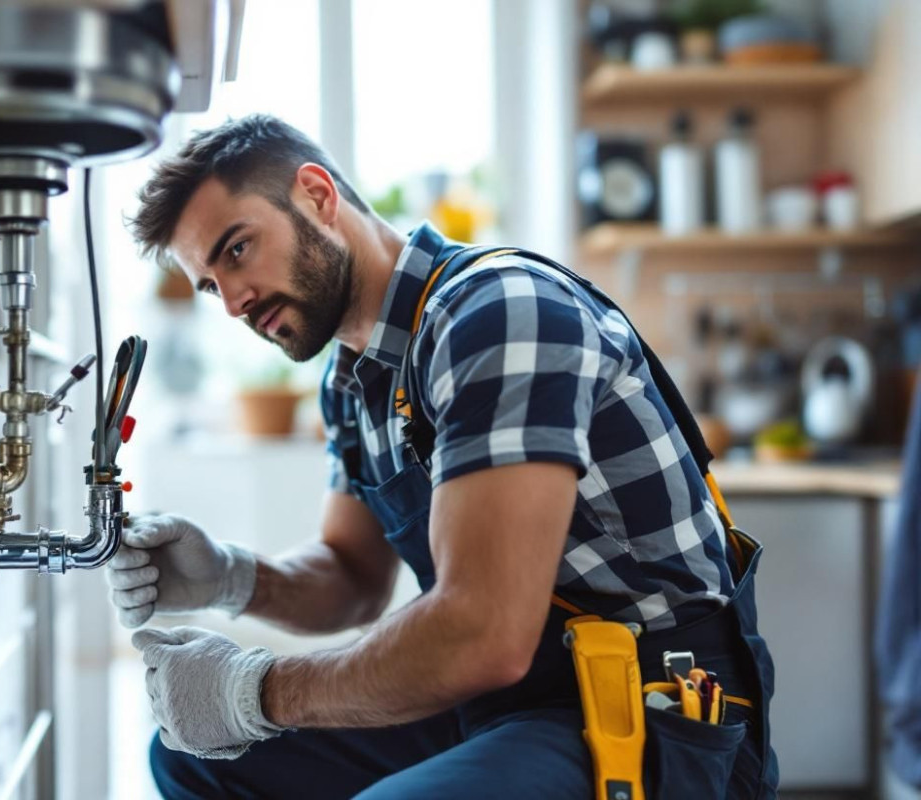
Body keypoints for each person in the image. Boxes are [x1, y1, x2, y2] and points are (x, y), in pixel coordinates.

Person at [111, 114, 779, 799]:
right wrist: (228, 576)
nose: (232, 302)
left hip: (654, 706)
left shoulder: (496, 314)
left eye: (237, 250)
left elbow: (483, 632)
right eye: (209, 285)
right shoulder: (351, 381)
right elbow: (353, 578)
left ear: (315, 195)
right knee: (193, 760)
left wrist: (255, 692)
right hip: (512, 698)